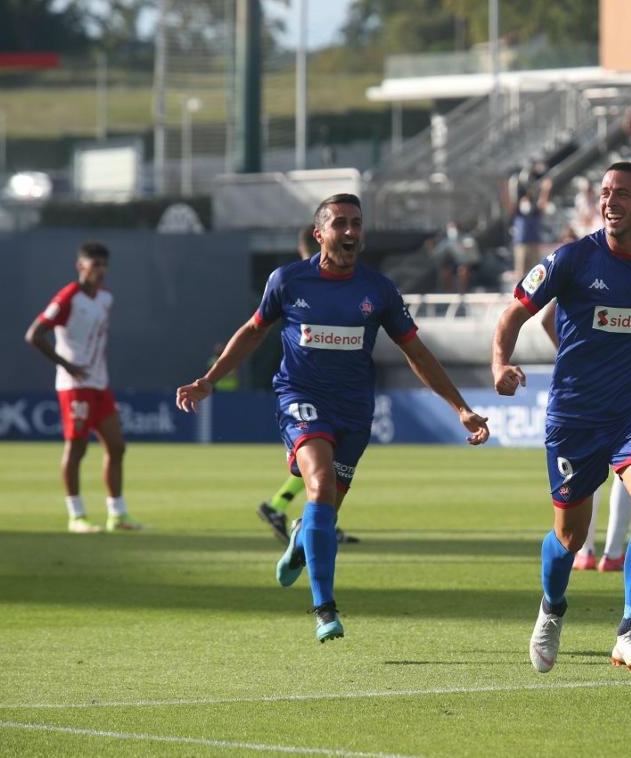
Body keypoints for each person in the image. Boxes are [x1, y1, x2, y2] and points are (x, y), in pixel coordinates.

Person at [176, 194, 489, 643]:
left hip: (354, 409)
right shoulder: (288, 281)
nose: (349, 232)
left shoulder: (377, 290)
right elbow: (252, 331)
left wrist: (460, 408)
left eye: (356, 224)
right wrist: (209, 380)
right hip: (300, 397)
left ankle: (303, 533)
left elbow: (415, 352)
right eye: (339, 223)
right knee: (319, 484)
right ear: (318, 233)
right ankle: (325, 609)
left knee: (324, 507)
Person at [491, 161, 631, 674]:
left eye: (623, 194)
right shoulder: (571, 259)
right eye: (605, 192)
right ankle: (551, 608)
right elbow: (515, 312)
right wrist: (500, 362)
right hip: (576, 415)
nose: (610, 201)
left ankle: (629, 630)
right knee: (568, 537)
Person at [539, 301, 631, 573]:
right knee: (630, 467)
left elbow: (547, 319)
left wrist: (576, 362)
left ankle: (586, 553)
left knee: (588, 474)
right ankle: (613, 552)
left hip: (590, 393)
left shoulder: (587, 266)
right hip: (630, 394)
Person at [25, 241, 144, 534]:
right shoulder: (68, 298)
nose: (100, 272)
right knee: (77, 448)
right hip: (74, 385)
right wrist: (65, 365)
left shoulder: (105, 299)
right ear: (81, 267)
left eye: (104, 266)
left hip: (99, 383)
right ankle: (76, 515)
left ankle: (117, 514)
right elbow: (34, 334)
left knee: (117, 447)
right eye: (95, 266)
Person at [257, 225, 360, 546]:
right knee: (321, 460)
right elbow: (255, 328)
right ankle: (312, 523)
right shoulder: (293, 281)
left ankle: (285, 509)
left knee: (322, 462)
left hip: (334, 389)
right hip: (307, 386)